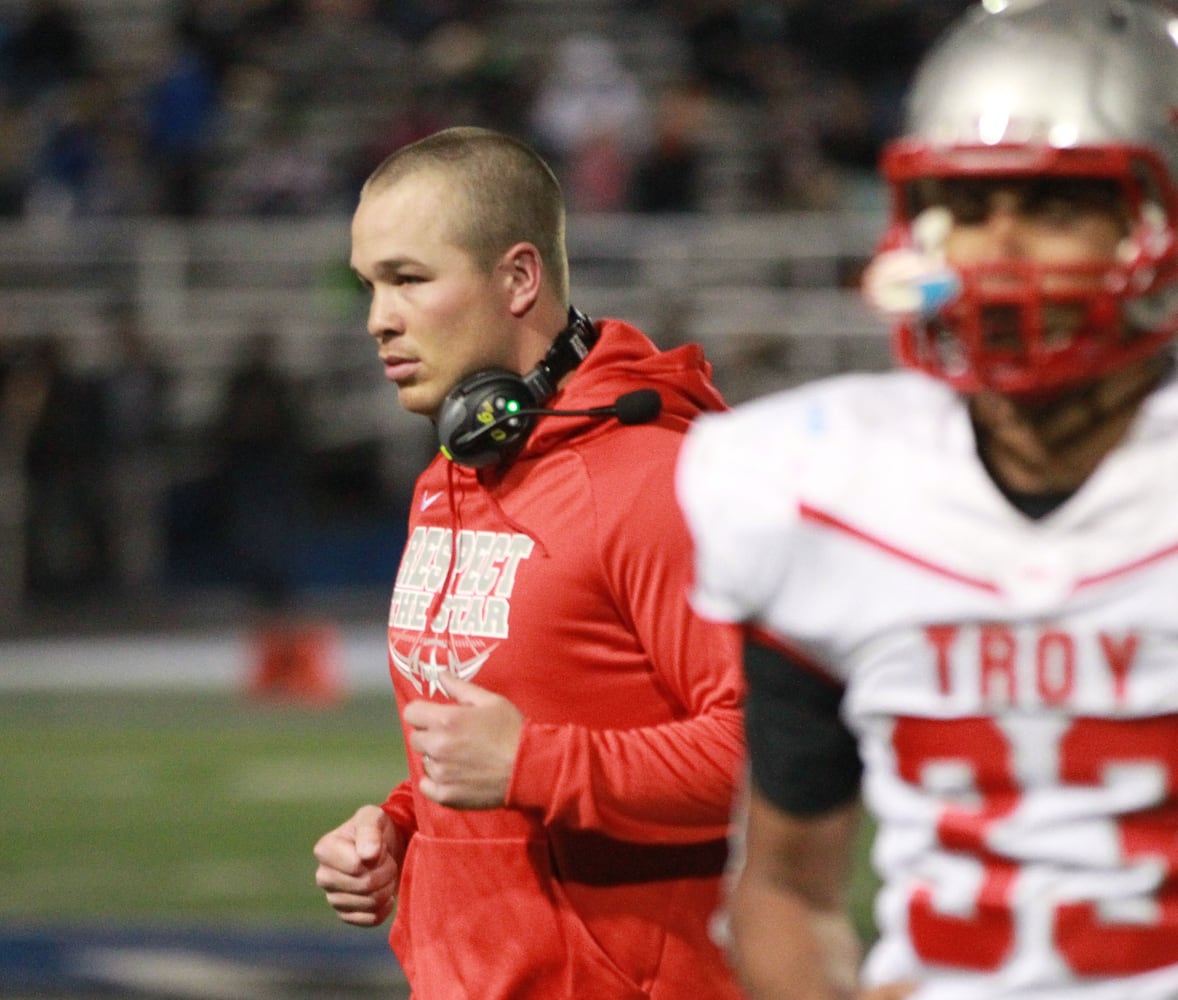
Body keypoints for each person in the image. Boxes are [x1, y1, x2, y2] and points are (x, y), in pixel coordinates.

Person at [674, 2, 1178, 998]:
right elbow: (783, 886)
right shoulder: (817, 486)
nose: (996, 250)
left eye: (1054, 207)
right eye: (963, 207)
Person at [313, 126, 746, 1000]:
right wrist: (402, 828)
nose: (377, 319)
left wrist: (532, 767)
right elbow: (498, 735)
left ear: (518, 278)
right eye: (370, 286)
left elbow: (769, 756)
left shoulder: (658, 478)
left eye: (408, 279)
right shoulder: (451, 471)